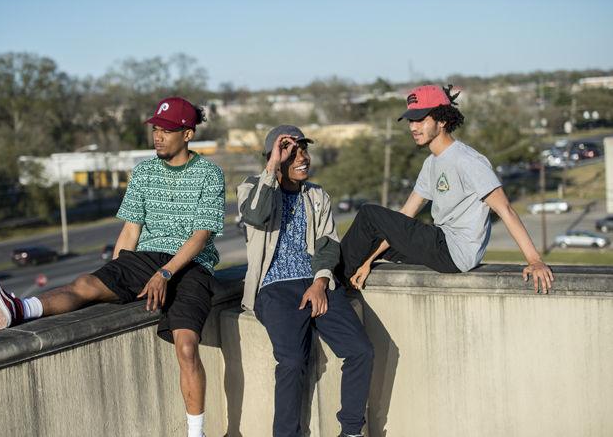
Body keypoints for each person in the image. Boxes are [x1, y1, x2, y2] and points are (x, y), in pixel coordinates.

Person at [0, 96, 225, 437]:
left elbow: (199, 236)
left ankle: (197, 433)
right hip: (146, 257)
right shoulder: (145, 171)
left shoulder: (210, 174)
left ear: (188, 134)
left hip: (191, 265)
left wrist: (165, 274)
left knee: (187, 347)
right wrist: (117, 276)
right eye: (155, 129)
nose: (158, 136)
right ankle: (19, 307)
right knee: (87, 284)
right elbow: (131, 230)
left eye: (167, 130)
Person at [339, 84, 554, 293]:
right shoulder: (431, 163)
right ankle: (341, 280)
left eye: (421, 120)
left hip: (454, 250)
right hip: (440, 243)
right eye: (410, 121)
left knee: (369, 214)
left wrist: (535, 261)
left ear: (442, 120)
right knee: (370, 238)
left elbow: (505, 209)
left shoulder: (467, 160)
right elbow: (404, 215)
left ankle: (332, 286)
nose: (413, 127)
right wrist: (368, 261)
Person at [237, 125, 374, 437]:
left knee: (360, 350)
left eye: (304, 150)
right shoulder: (251, 188)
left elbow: (328, 243)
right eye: (292, 151)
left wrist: (320, 282)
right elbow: (257, 216)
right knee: (292, 361)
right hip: (273, 288)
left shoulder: (317, 195)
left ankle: (351, 431)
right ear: (275, 155)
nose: (303, 158)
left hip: (315, 283)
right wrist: (272, 167)